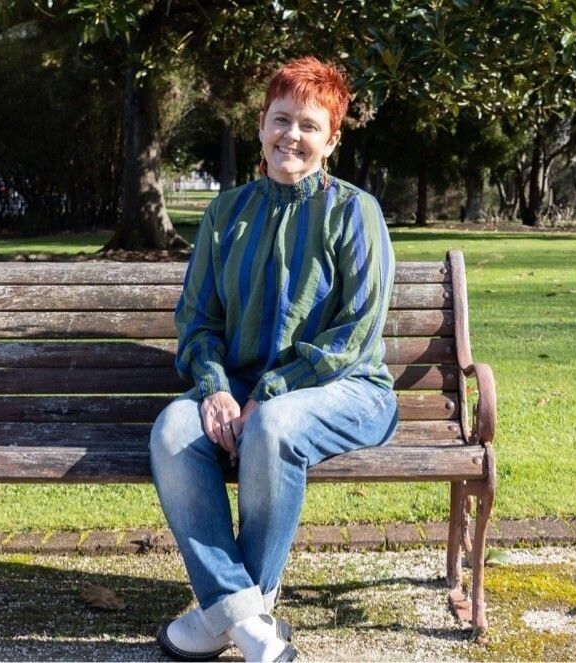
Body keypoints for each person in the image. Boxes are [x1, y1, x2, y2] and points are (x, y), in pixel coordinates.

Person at [149, 56, 399, 662]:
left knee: (274, 425)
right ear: (261, 125)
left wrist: (271, 391)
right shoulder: (225, 213)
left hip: (349, 388)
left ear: (331, 140)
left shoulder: (354, 211)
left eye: (310, 125)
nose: (292, 135)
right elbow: (198, 321)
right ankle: (249, 622)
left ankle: (225, 616)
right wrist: (215, 388)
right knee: (173, 430)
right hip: (239, 388)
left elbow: (355, 335)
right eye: (281, 119)